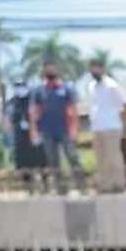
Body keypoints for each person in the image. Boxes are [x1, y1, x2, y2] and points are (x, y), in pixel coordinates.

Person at [30, 61, 85, 194]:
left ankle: (82, 187)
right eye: (47, 67)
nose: (50, 69)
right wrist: (34, 130)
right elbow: (34, 111)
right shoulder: (38, 90)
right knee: (53, 161)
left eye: (52, 67)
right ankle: (61, 189)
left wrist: (75, 128)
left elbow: (74, 109)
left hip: (65, 130)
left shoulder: (66, 88)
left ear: (57, 69)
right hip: (47, 131)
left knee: (73, 158)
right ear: (44, 71)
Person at [85, 58, 126, 193]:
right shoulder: (91, 86)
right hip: (97, 127)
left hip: (112, 126)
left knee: (113, 157)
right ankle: (105, 186)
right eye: (92, 68)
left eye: (97, 68)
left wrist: (125, 125)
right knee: (100, 158)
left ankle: (119, 184)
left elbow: (124, 105)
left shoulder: (112, 85)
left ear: (102, 69)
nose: (94, 71)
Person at [3, 79, 47, 194]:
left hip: (34, 134)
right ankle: (29, 188)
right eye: (17, 86)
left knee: (40, 161)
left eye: (22, 86)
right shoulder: (12, 103)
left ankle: (45, 185)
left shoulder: (33, 100)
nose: (20, 89)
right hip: (20, 137)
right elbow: (8, 120)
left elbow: (40, 115)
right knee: (23, 163)